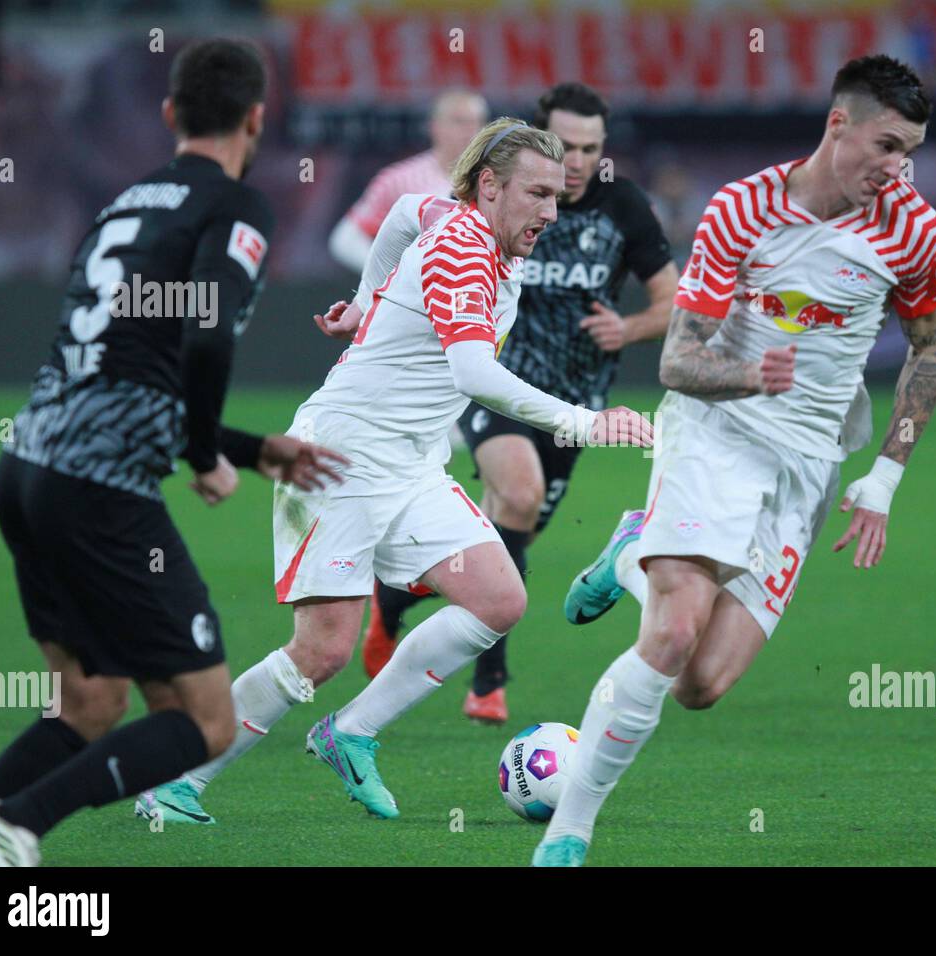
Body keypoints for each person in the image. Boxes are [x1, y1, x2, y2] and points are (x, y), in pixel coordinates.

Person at [134, 118, 652, 826]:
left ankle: (349, 732)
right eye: (536, 194)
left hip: (409, 464)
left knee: (499, 599)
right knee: (321, 651)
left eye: (557, 197)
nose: (550, 213)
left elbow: (407, 212)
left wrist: (366, 300)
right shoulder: (464, 250)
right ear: (490, 186)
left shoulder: (457, 216)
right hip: (337, 460)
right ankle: (175, 781)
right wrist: (587, 421)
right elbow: (474, 371)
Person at [532, 54, 936, 866]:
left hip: (808, 460)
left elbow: (931, 348)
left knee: (701, 683)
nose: (897, 169)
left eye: (911, 153)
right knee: (673, 631)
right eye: (887, 146)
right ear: (839, 125)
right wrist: (746, 375)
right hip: (715, 431)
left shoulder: (914, 229)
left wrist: (887, 474)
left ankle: (632, 552)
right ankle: (570, 830)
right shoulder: (742, 208)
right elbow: (678, 364)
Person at [0, 38, 344, 867]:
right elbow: (205, 337)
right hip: (96, 488)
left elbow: (114, 368)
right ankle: (15, 825)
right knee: (205, 722)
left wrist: (252, 449)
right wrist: (209, 452)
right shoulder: (236, 207)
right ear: (256, 119)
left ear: (171, 115)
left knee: (90, 702)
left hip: (26, 469)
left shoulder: (127, 203)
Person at [350, 82, 679, 725]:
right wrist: (369, 303)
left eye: (590, 148)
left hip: (576, 393)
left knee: (509, 535)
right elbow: (412, 218)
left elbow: (673, 300)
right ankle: (490, 678)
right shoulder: (502, 207)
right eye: (567, 146)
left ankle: (393, 597)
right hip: (502, 385)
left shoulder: (623, 209)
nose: (578, 162)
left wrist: (630, 328)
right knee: (518, 495)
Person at [328, 89, 488, 273]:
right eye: (459, 121)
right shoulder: (400, 179)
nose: (470, 131)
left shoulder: (495, 179)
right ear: (435, 126)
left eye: (477, 122)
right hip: (420, 296)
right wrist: (390, 274)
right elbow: (346, 239)